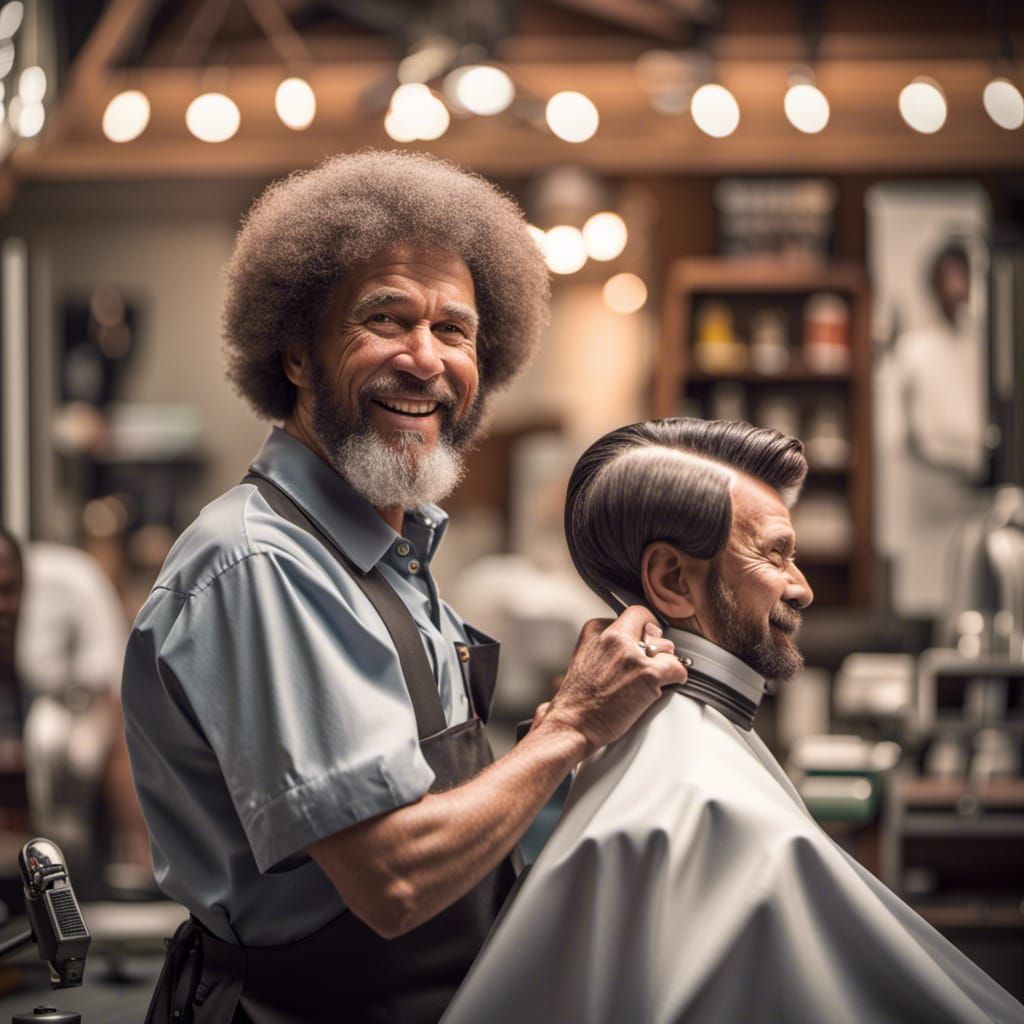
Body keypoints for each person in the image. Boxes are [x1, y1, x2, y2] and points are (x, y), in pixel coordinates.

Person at [122, 150, 688, 1024]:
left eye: (455, 331)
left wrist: (559, 732)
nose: (426, 361)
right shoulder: (263, 565)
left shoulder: (392, 554)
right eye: (385, 319)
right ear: (297, 354)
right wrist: (571, 728)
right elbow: (388, 878)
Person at [443, 418, 1024, 1024]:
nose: (802, 589)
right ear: (672, 580)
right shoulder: (704, 798)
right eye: (775, 555)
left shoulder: (676, 756)